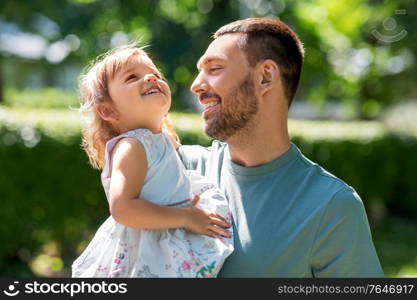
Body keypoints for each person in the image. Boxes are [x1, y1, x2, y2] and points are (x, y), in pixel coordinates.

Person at [178, 18, 384, 277]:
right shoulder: (181, 167)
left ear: (265, 77)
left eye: (215, 68)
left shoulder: (331, 206)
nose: (196, 85)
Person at [71, 45, 233, 278]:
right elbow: (123, 208)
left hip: (164, 240)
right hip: (145, 251)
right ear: (108, 111)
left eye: (155, 74)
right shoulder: (132, 146)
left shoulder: (159, 139)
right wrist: (187, 217)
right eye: (132, 77)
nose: (150, 77)